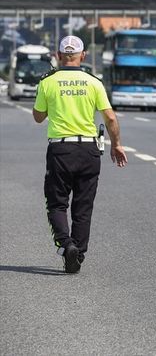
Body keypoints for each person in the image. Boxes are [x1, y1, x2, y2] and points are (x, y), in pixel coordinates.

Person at [32, 36, 127, 274]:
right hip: (88, 149)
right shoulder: (93, 82)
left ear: (58, 55)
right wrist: (117, 145)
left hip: (60, 150)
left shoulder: (48, 82)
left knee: (56, 203)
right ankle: (79, 253)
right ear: (83, 56)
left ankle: (67, 245)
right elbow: (111, 118)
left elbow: (38, 116)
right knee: (83, 207)